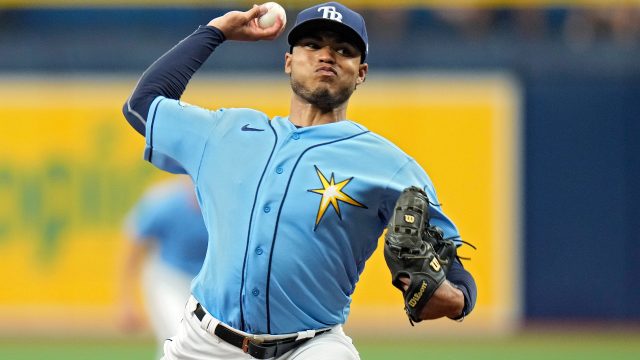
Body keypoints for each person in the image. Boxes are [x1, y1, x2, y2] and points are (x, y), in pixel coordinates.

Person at [122, 2, 477, 359]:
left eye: (344, 50)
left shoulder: (391, 166)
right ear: (288, 61)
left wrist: (445, 295)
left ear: (361, 72)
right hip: (204, 343)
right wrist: (215, 32)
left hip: (312, 345)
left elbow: (457, 279)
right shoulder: (226, 132)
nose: (327, 56)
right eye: (312, 45)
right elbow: (143, 104)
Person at [118, 177, 208, 356]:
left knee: (205, 344)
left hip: (203, 283)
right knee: (178, 335)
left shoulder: (221, 208)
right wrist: (125, 301)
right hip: (167, 278)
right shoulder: (165, 202)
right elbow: (133, 245)